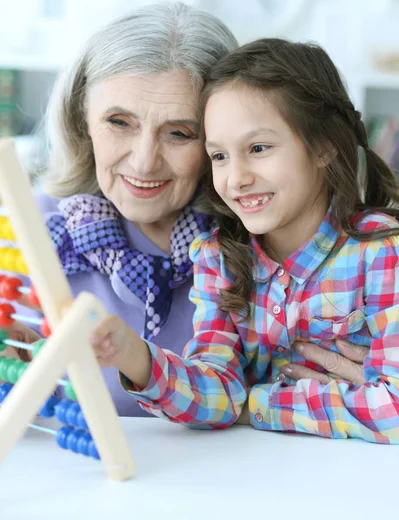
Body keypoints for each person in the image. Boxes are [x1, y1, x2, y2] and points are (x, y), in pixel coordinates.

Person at [87, 37, 399, 443]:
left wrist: (259, 405)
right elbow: (217, 395)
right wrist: (135, 356)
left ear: (323, 146)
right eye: (219, 156)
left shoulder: (381, 253)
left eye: (258, 148)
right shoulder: (219, 259)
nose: (236, 178)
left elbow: (392, 408)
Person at [0, 1, 238, 416]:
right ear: (82, 120)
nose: (144, 161)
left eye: (180, 133)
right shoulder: (34, 230)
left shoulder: (252, 249)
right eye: (119, 122)